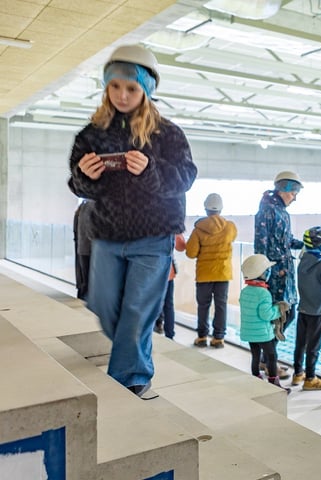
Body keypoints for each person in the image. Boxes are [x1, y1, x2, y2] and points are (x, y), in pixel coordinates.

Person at [67, 44, 197, 397]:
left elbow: (185, 177)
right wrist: (85, 177)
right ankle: (132, 352)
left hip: (154, 238)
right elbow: (76, 185)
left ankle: (130, 379)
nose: (122, 95)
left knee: (137, 311)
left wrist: (151, 170)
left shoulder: (167, 134)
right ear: (106, 87)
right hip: (106, 236)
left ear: (147, 90)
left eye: (132, 88)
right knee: (106, 307)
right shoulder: (90, 134)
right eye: (115, 86)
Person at [255, 170, 304, 377]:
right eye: (293, 193)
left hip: (285, 273)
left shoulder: (281, 211)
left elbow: (285, 240)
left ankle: (266, 359)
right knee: (281, 315)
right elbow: (261, 244)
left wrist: (306, 244)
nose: (294, 198)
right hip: (274, 275)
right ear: (284, 189)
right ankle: (267, 361)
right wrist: (263, 274)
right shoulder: (267, 210)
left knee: (286, 314)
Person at [186, 193, 238, 348]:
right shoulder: (230, 227)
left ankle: (202, 337)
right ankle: (219, 339)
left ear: (206, 209)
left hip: (204, 274)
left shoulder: (198, 230)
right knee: (221, 305)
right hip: (223, 273)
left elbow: (190, 253)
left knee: (203, 306)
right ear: (221, 209)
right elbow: (233, 239)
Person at [292, 226, 321, 391]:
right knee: (314, 346)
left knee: (300, 344)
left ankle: (298, 373)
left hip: (303, 309)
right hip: (317, 312)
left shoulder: (302, 261)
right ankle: (310, 378)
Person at [239, 253, 291, 393]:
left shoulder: (245, 291)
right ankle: (274, 383)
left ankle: (256, 379)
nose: (268, 273)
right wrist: (279, 309)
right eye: (266, 271)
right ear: (260, 274)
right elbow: (266, 314)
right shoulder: (263, 293)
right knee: (272, 356)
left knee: (255, 356)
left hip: (249, 332)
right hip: (263, 334)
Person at [154, 233, 186, 339]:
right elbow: (181, 246)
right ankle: (169, 336)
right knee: (168, 305)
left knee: (150, 303)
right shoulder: (171, 223)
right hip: (167, 271)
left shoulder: (145, 222)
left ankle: (153, 331)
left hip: (149, 271)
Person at [72, 198, 94, 301]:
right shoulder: (91, 206)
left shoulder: (82, 207)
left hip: (82, 248)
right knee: (89, 280)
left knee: (84, 279)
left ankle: (82, 298)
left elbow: (75, 232)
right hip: (89, 249)